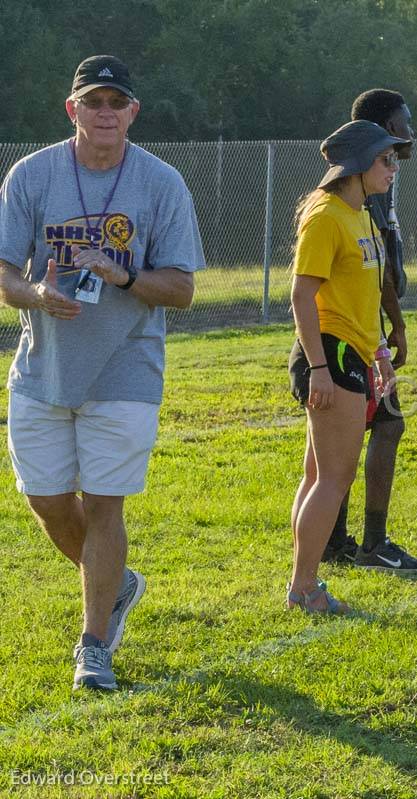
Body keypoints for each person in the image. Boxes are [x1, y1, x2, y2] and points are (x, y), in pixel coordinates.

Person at [0, 55, 204, 691]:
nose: (106, 112)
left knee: (104, 504)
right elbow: (4, 272)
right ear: (73, 110)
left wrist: (123, 275)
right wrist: (35, 294)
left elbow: (182, 288)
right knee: (46, 499)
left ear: (133, 112)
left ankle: (94, 645)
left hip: (126, 367)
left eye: (117, 102)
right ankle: (118, 584)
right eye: (94, 102)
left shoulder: (161, 183)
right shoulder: (31, 175)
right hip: (43, 366)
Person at [287, 120, 404, 614]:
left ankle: (303, 581)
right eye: (385, 159)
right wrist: (318, 367)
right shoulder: (327, 216)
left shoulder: (362, 214)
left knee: (320, 474)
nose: (393, 168)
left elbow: (361, 296)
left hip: (351, 352)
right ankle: (304, 588)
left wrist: (378, 353)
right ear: (357, 166)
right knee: (334, 478)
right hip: (328, 354)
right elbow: (301, 295)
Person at [320, 89, 417, 574]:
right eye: (405, 123)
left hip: (360, 330)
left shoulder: (377, 176)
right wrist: (394, 328)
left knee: (346, 438)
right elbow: (377, 264)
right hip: (350, 334)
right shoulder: (369, 184)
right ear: (386, 128)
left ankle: (334, 540)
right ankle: (372, 543)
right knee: (382, 426)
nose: (412, 132)